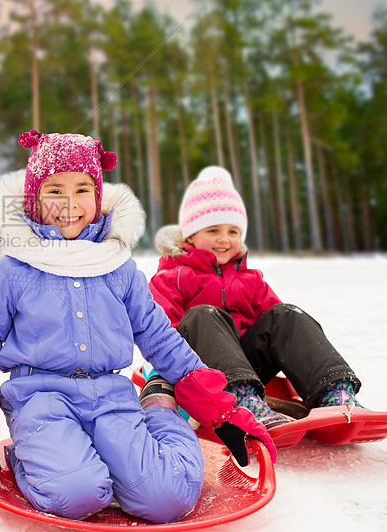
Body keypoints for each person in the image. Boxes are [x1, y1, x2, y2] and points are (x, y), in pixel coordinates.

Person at [0, 131, 276, 524]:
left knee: (167, 500)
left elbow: (161, 340)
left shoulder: (118, 268)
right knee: (77, 495)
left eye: (82, 189)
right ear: (34, 199)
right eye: (54, 190)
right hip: (40, 400)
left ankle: (159, 412)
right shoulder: (14, 271)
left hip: (110, 397)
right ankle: (36, 457)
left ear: (98, 198)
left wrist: (222, 412)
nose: (69, 204)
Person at [149, 166, 362, 430]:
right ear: (190, 236)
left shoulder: (250, 279)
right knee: (203, 314)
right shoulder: (172, 277)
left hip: (249, 372)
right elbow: (158, 333)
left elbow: (282, 335)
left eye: (233, 231)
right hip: (199, 374)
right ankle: (240, 401)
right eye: (213, 230)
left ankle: (335, 392)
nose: (224, 240)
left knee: (286, 315)